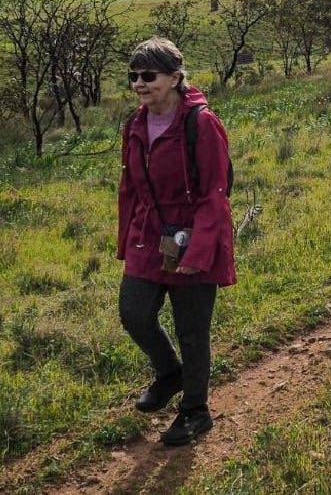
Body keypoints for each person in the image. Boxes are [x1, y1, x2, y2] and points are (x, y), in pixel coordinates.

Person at [117, 37, 234, 447]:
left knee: (192, 330)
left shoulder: (201, 124)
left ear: (174, 77)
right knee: (133, 312)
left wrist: (199, 251)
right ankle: (169, 373)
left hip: (194, 233)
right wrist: (126, 242)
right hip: (149, 236)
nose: (139, 84)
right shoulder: (133, 124)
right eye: (133, 76)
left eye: (148, 76)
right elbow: (128, 188)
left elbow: (215, 193)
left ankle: (195, 410)